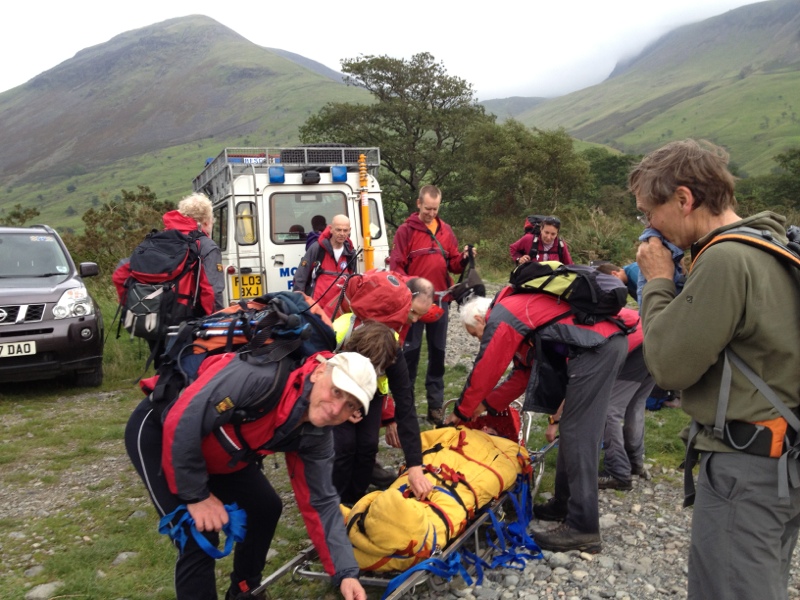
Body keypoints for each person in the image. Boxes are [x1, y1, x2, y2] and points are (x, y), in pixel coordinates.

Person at [632, 139, 800, 600]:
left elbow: (668, 366)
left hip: (748, 468)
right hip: (783, 461)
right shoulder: (773, 243)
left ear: (684, 199)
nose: (649, 226)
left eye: (650, 212)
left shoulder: (727, 259)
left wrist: (658, 281)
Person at [125, 351, 376, 600]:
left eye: (350, 405)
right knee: (197, 534)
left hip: (220, 452)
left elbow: (321, 502)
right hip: (161, 431)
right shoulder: (259, 378)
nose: (336, 409)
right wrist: (197, 496)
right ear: (319, 373)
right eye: (336, 391)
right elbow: (185, 418)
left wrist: (346, 573)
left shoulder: (316, 436)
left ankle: (244, 592)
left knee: (264, 508)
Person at [446, 292, 635, 553]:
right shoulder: (520, 319)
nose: (479, 339)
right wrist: (486, 405)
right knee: (571, 431)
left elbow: (487, 366)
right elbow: (523, 374)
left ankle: (583, 528)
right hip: (599, 347)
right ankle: (564, 505)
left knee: (578, 433)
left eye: (475, 333)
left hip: (597, 350)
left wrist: (462, 411)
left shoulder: (504, 316)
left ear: (480, 318)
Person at [331, 279, 435, 504]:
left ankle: (356, 499)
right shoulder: (340, 330)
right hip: (335, 387)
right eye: (414, 313)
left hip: (372, 394)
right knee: (344, 446)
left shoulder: (392, 349)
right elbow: (315, 370)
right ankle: (335, 502)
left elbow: (406, 406)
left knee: (368, 445)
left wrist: (415, 465)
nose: (416, 321)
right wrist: (341, 405)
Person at [389, 185, 472, 426]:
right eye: (427, 209)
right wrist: (409, 296)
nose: (431, 213)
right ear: (418, 204)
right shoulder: (405, 231)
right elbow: (396, 267)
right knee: (410, 354)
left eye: (435, 209)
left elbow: (454, 265)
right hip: (413, 304)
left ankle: (435, 406)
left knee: (437, 354)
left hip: (441, 301)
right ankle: (405, 406)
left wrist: (464, 257)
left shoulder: (446, 230)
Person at [112, 192, 226, 362]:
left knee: (163, 370)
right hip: (188, 324)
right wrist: (218, 327)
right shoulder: (206, 246)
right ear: (206, 221)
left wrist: (131, 305)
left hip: (153, 319)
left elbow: (120, 273)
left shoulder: (156, 240)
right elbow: (212, 291)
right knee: (188, 371)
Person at [293, 215, 356, 319]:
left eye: (345, 230)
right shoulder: (317, 248)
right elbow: (300, 277)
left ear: (349, 230)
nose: (342, 234)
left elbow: (352, 281)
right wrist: (298, 304)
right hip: (317, 307)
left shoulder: (350, 253)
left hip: (340, 310)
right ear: (330, 229)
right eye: (338, 230)